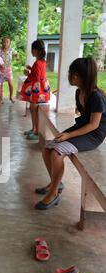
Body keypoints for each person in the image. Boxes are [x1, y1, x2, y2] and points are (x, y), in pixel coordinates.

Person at [35, 57, 106, 210]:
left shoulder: (96, 97)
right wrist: (69, 133)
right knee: (47, 149)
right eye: (72, 73)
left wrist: (68, 135)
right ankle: (56, 183)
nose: (71, 76)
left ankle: (53, 193)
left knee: (56, 153)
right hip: (82, 128)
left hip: (94, 135)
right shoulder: (79, 92)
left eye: (74, 74)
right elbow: (83, 119)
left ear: (81, 77)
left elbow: (94, 125)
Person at [20, 40, 50, 140]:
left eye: (32, 49)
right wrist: (31, 69)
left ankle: (36, 131)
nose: (31, 51)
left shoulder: (37, 63)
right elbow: (39, 75)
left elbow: (36, 79)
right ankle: (33, 129)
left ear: (36, 50)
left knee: (34, 110)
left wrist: (27, 74)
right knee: (33, 110)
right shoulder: (42, 62)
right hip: (42, 88)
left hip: (38, 90)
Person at [0, 37, 18, 104]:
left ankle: (11, 97)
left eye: (7, 42)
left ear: (9, 43)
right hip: (1, 70)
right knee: (0, 85)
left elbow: (16, 55)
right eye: (4, 42)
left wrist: (16, 56)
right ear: (2, 43)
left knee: (11, 84)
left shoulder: (11, 50)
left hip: (8, 70)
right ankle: (0, 98)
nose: (5, 43)